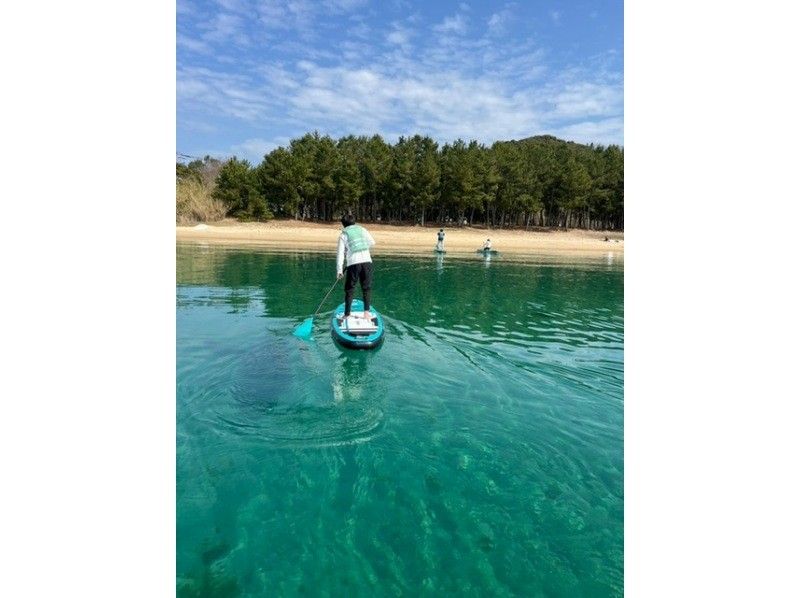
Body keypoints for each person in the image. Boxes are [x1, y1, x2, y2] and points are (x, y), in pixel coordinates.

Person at [337, 214, 376, 320]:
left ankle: (347, 314)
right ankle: (366, 314)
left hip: (353, 263)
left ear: (343, 224)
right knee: (366, 287)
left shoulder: (343, 235)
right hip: (367, 261)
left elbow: (340, 254)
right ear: (354, 222)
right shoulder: (362, 229)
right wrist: (361, 247)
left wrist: (339, 270)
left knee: (349, 289)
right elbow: (372, 242)